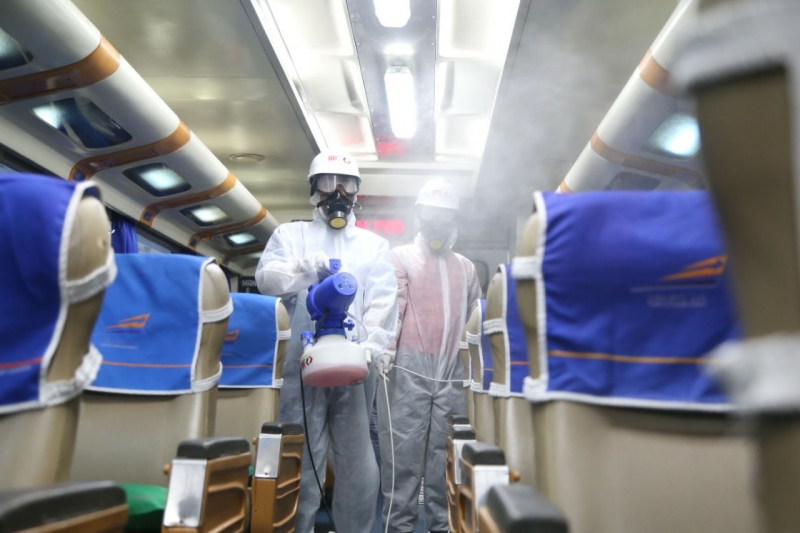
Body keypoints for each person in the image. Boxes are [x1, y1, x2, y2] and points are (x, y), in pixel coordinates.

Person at [256, 150, 398, 533]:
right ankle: (296, 527)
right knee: (301, 456)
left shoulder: (373, 246)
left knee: (356, 462)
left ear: (357, 192)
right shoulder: (291, 236)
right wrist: (306, 268)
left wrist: (369, 349)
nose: (338, 192)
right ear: (313, 190)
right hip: (302, 366)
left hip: (355, 366)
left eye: (347, 183)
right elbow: (267, 279)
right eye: (327, 183)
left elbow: (384, 303)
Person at [378, 178, 481, 532]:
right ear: (419, 216)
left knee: (444, 460)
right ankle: (398, 528)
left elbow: (474, 321)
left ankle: (443, 527)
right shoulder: (401, 258)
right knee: (402, 460)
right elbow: (393, 312)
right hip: (408, 374)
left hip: (452, 375)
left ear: (454, 219)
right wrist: (386, 351)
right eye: (431, 214)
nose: (437, 222)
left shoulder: (466, 268)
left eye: (445, 215)